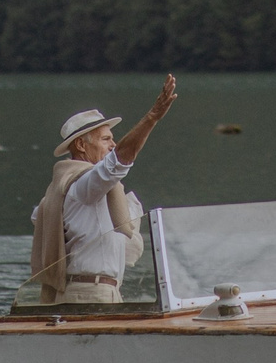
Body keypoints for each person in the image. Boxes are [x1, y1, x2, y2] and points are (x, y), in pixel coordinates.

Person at [28, 75, 178, 304]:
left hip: (98, 292)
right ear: (80, 145)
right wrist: (151, 118)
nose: (113, 145)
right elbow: (118, 162)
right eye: (105, 139)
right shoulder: (84, 185)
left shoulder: (65, 187)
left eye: (113, 139)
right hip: (90, 295)